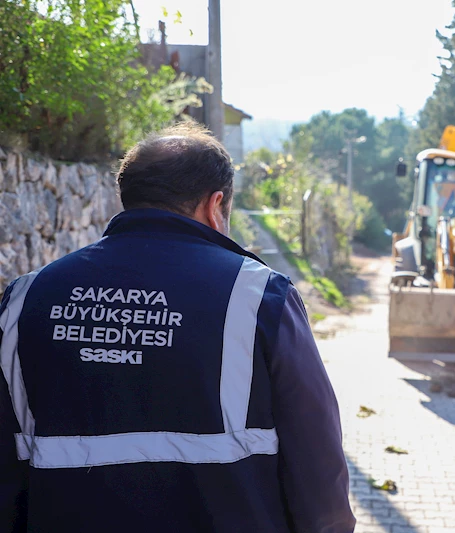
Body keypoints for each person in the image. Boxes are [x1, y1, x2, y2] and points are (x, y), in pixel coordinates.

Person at [0, 123, 356, 532]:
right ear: (215, 204)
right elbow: (316, 459)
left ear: (128, 198)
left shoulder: (25, 299)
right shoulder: (260, 296)